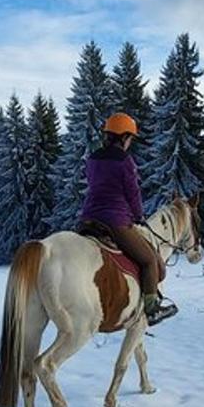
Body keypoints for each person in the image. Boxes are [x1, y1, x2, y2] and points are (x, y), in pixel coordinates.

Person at [78, 113, 175, 325]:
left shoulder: (93, 158)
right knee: (149, 260)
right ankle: (151, 309)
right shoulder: (125, 160)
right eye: (130, 138)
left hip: (88, 219)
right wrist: (138, 216)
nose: (130, 142)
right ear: (124, 137)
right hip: (115, 221)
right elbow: (132, 193)